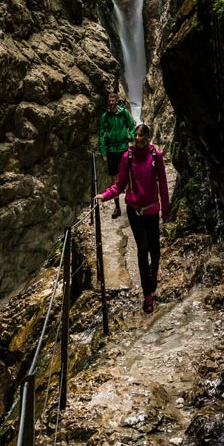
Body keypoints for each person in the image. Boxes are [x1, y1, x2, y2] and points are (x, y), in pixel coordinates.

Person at [95, 123, 170, 313]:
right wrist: (105, 195)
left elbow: (163, 185)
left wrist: (166, 211)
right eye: (135, 135)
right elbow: (120, 185)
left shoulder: (156, 156)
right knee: (142, 249)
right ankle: (147, 295)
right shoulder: (127, 157)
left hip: (152, 210)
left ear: (148, 137)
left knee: (156, 251)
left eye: (141, 135)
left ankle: (153, 276)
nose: (137, 138)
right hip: (135, 211)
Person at [98, 91, 136, 218]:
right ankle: (117, 208)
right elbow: (101, 134)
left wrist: (131, 137)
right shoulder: (105, 116)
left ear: (117, 101)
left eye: (113, 100)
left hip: (123, 148)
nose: (111, 103)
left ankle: (132, 203)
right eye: (109, 101)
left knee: (129, 175)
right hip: (111, 151)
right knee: (114, 179)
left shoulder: (123, 113)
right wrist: (103, 152)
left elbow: (131, 126)